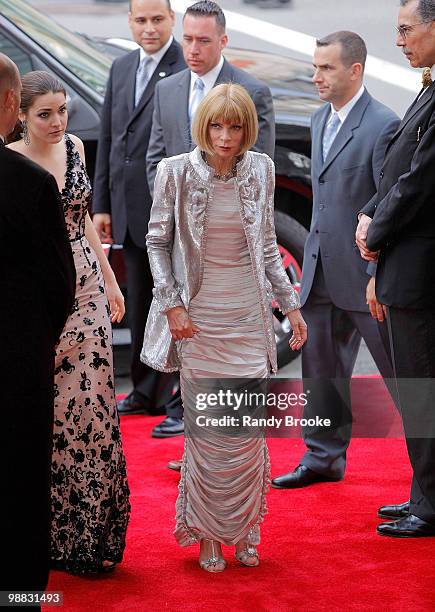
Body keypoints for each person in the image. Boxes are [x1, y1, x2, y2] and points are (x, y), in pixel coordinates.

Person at [142, 83, 306, 571]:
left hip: (249, 319)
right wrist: (172, 306)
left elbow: (269, 245)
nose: (226, 136)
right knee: (211, 434)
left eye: (236, 127)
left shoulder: (262, 169)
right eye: (218, 125)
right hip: (199, 321)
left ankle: (247, 528)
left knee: (246, 433)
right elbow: (155, 244)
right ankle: (210, 536)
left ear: (248, 129)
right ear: (203, 126)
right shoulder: (174, 172)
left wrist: (290, 307)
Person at [8, 71, 131, 572]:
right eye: (45, 113)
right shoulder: (11, 162)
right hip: (39, 299)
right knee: (47, 417)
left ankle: (89, 537)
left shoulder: (77, 147)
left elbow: (82, 225)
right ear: (20, 115)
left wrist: (112, 282)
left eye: (63, 111)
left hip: (87, 291)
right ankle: (45, 536)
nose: (58, 122)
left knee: (93, 412)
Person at [271, 32, 399, 489]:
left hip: (366, 279)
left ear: (355, 70)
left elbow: (390, 204)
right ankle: (323, 457)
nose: (315, 76)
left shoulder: (384, 124)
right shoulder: (318, 116)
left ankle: (427, 478)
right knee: (321, 372)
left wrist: (375, 273)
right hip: (321, 270)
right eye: (315, 66)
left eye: (326, 68)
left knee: (404, 378)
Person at [146, 0, 275, 443]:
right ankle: (186, 424)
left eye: (203, 40)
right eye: (188, 38)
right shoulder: (168, 88)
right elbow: (155, 156)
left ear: (223, 40)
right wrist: (172, 211)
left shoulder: (251, 90)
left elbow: (260, 185)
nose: (193, 48)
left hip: (236, 282)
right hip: (187, 261)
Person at [356, 0, 435, 537]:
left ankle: (430, 505)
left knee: (423, 390)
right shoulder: (429, 86)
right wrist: (370, 213)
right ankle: (423, 493)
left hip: (421, 270)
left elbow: (419, 180)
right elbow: (398, 170)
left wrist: (374, 232)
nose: (400, 40)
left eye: (406, 30)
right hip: (408, 263)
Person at [0, 56, 75, 594]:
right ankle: (21, 596)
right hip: (16, 361)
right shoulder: (26, 182)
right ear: (11, 104)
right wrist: (34, 337)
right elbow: (59, 281)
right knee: (20, 486)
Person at [93, 0, 186, 418]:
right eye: (141, 20)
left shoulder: (186, 64)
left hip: (163, 207)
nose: (149, 28)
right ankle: (144, 391)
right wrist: (103, 203)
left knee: (171, 300)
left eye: (157, 20)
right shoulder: (122, 66)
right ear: (129, 23)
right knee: (139, 300)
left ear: (171, 21)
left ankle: (173, 393)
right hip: (128, 207)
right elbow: (110, 138)